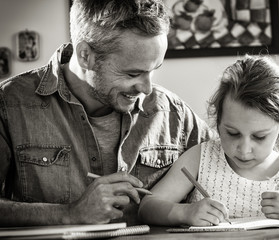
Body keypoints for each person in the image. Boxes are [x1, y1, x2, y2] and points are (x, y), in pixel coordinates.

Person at [0, 0, 213, 226]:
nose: (147, 89)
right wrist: (69, 213)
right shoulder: (10, 105)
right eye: (132, 74)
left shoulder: (173, 113)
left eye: (153, 70)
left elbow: (235, 162)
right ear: (85, 56)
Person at [138, 55, 279, 227]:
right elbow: (147, 207)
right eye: (232, 133)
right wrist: (186, 213)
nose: (244, 149)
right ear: (218, 120)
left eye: (259, 137)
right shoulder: (200, 158)